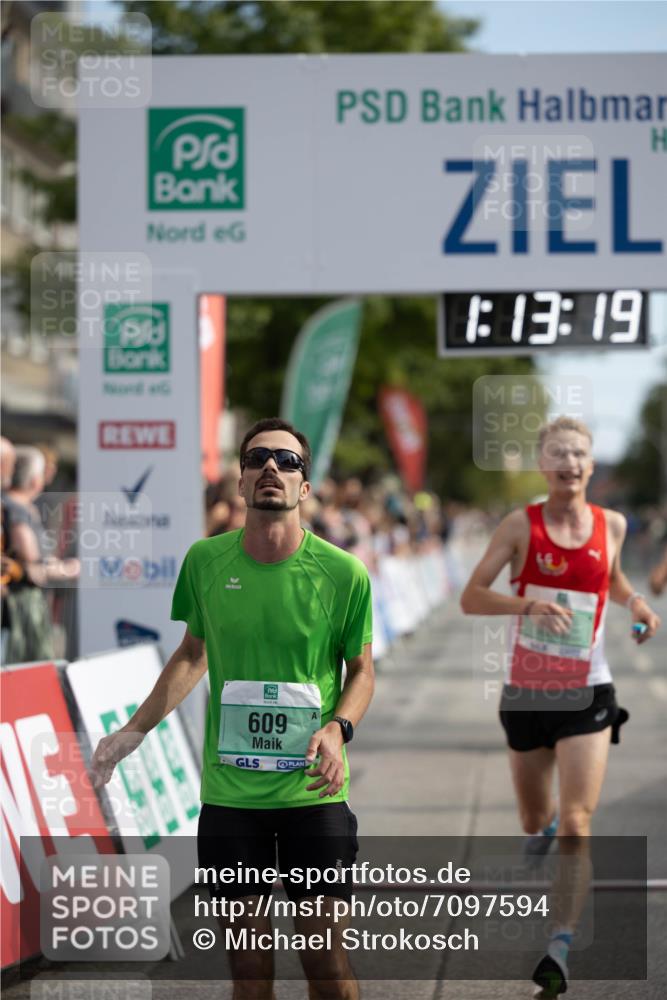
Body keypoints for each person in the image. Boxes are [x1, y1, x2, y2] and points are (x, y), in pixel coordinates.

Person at [91, 417, 374, 1000]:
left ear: (305, 486)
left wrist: (338, 729)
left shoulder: (344, 573)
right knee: (248, 969)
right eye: (257, 459)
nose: (271, 467)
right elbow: (193, 654)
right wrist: (134, 730)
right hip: (230, 800)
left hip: (312, 795)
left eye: (287, 461)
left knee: (323, 962)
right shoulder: (205, 562)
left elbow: (362, 671)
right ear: (240, 484)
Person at [460, 416, 660, 997]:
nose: (569, 463)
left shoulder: (613, 524)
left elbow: (613, 581)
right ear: (544, 466)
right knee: (534, 820)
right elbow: (471, 597)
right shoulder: (520, 526)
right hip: (526, 693)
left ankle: (559, 945)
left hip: (588, 690)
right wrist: (526, 609)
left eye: (579, 454)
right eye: (558, 454)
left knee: (577, 821)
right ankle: (540, 826)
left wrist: (639, 604)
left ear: (591, 466)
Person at [3, 446, 79, 663]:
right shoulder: (16, 510)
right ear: (34, 479)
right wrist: (67, 570)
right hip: (18, 612)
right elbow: (32, 564)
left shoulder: (23, 508)